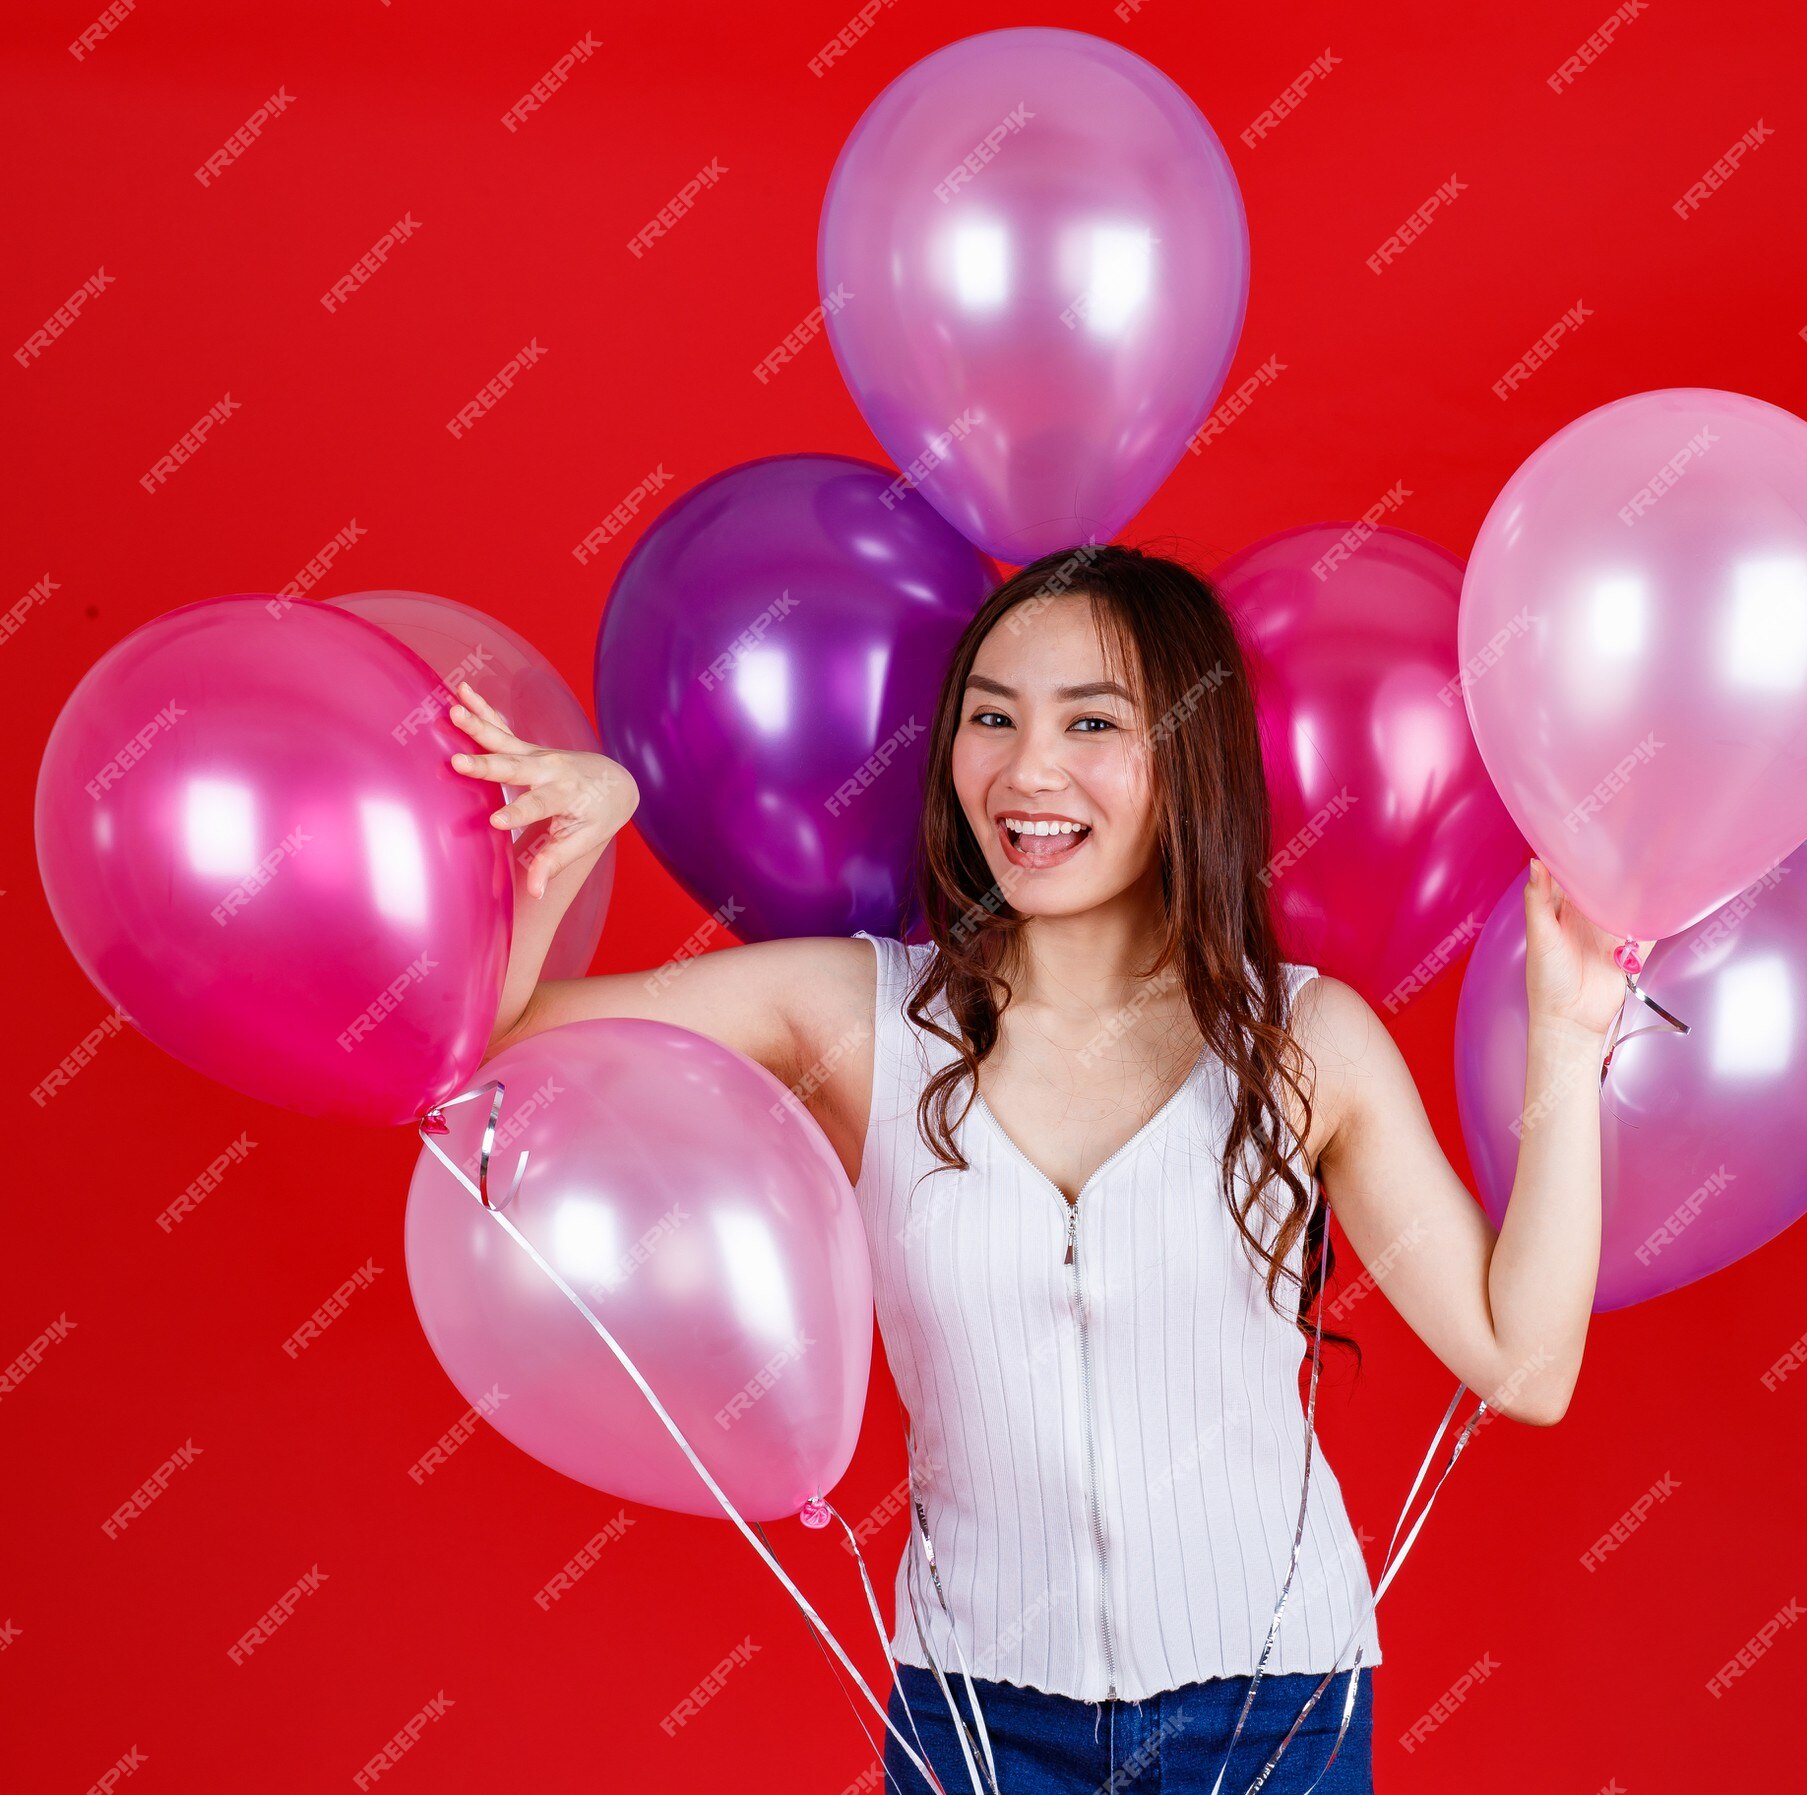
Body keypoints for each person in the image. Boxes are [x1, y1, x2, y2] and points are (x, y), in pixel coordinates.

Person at [449, 544, 1642, 1794]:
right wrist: (581, 835)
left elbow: (1525, 1364)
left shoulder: (1303, 1041)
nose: (1027, 770)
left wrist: (1563, 1037)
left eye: (1091, 722)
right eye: (991, 719)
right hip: (976, 1723)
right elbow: (493, 1049)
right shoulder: (852, 1012)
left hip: (1274, 1711)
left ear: (1187, 752)